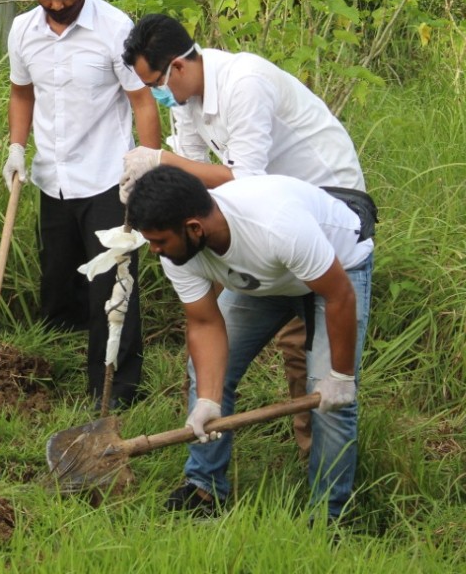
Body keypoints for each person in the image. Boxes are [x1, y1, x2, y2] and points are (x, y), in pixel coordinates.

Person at [119, 13, 371, 459]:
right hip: (254, 220)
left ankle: (325, 500)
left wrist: (161, 159)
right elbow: (194, 192)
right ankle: (203, 486)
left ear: (177, 66)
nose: (156, 95)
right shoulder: (187, 101)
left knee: (317, 370)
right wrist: (158, 184)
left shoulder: (244, 81)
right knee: (211, 364)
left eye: (155, 81)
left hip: (328, 206)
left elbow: (245, 178)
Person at [126, 166, 373, 522]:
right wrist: (209, 399)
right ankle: (205, 487)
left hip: (337, 270)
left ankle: (330, 515)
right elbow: (205, 321)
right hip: (263, 280)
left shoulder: (275, 225)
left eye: (159, 241)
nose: (154, 250)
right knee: (206, 376)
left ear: (194, 228)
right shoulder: (177, 250)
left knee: (330, 400)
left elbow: (339, 297)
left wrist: (342, 376)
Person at [1, 0, 160, 409]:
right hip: (53, 176)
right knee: (58, 282)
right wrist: (16, 146)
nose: (55, 5)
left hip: (109, 179)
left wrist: (147, 166)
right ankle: (53, 367)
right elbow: (21, 93)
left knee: (112, 286)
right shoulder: (23, 30)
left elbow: (141, 100)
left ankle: (117, 393)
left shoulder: (115, 29)